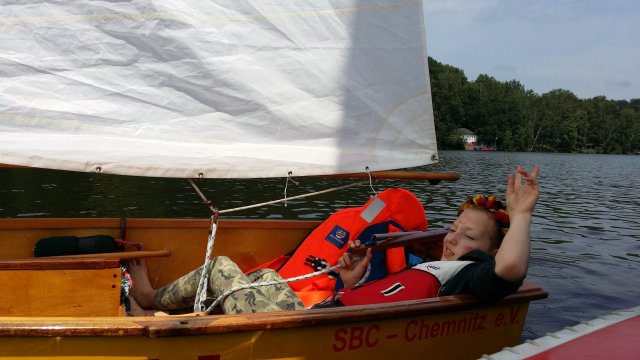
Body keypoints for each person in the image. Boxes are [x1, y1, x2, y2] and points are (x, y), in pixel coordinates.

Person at [128, 164, 539, 315]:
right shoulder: (434, 268)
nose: (450, 241)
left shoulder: (474, 272)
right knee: (257, 276)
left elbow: (509, 272)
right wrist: (350, 279)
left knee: (221, 268)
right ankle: (159, 306)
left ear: (488, 251)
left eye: (467, 237)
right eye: (452, 229)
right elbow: (385, 295)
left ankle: (149, 300)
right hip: (319, 309)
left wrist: (520, 214)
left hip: (302, 327)